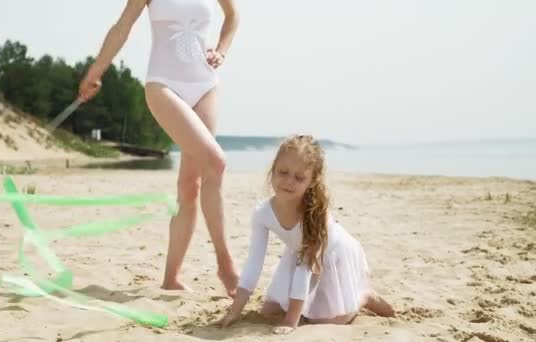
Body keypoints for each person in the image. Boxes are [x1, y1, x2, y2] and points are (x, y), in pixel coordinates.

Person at [78, 0, 240, 297]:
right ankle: (225, 263)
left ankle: (171, 278)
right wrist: (96, 70)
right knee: (216, 161)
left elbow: (232, 16)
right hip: (163, 85)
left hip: (206, 85)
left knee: (190, 185)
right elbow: (122, 26)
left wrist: (222, 50)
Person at [220, 135, 395, 329]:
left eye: (299, 177)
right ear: (273, 170)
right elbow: (254, 263)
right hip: (297, 254)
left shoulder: (316, 216)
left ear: (311, 181)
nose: (288, 181)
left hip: (331, 256)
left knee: (327, 320)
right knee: (270, 312)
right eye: (283, 172)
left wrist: (290, 322)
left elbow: (306, 268)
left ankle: (364, 296)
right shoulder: (262, 213)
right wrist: (234, 312)